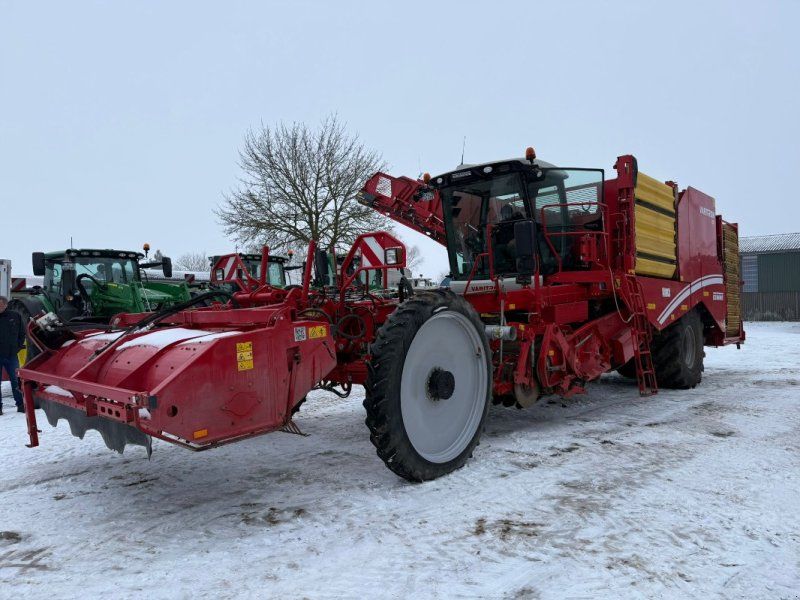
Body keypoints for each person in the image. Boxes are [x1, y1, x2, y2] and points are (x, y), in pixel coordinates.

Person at [0, 296, 26, 415]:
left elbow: (22, 333)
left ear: (5, 305)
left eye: (1, 305)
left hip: (11, 355)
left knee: (16, 380)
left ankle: (21, 405)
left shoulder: (15, 316)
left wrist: (17, 347)